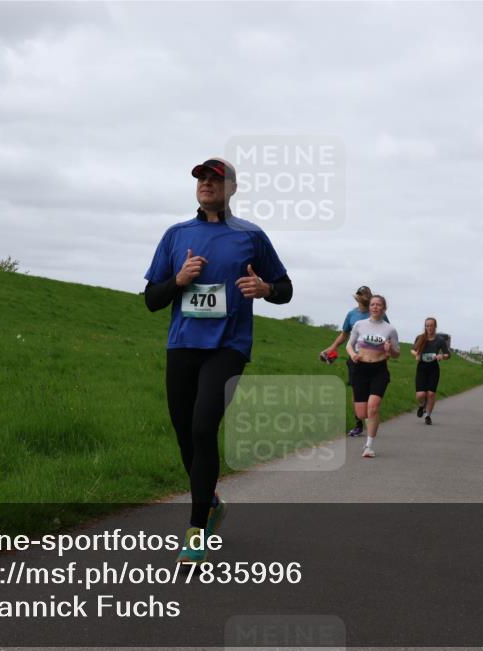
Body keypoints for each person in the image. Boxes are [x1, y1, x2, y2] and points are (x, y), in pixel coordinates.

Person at [144, 157, 292, 563]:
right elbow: (151, 300)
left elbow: (285, 288)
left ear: (232, 188)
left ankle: (196, 529)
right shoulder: (176, 235)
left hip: (229, 345)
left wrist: (264, 288)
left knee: (203, 425)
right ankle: (209, 500)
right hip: (182, 345)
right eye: (201, 179)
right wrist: (178, 280)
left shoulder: (251, 236)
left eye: (216, 178)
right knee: (184, 434)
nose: (207, 184)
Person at [320, 286, 389, 437]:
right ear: (357, 297)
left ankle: (372, 414)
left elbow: (387, 333)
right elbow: (344, 334)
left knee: (372, 394)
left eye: (366, 295)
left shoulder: (379, 315)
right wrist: (331, 348)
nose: (363, 298)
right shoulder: (351, 314)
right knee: (356, 392)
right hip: (355, 359)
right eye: (360, 295)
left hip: (374, 360)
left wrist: (386, 352)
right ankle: (358, 423)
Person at [345, 295, 399, 458]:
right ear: (370, 307)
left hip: (379, 370)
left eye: (379, 305)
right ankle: (370, 423)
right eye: (373, 304)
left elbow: (397, 354)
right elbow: (349, 344)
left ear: (384, 308)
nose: (375, 307)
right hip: (361, 369)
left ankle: (369, 445)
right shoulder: (359, 325)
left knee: (373, 407)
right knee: (362, 414)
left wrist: (390, 350)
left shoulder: (390, 329)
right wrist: (353, 354)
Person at [411, 317, 451, 425]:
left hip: (433, 368)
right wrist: (417, 355)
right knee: (420, 395)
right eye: (427, 325)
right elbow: (412, 349)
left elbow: (448, 354)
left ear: (435, 326)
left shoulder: (440, 340)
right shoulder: (420, 337)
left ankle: (427, 416)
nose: (429, 328)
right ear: (425, 327)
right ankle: (422, 405)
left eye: (431, 325)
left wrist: (442, 356)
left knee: (431, 394)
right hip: (422, 368)